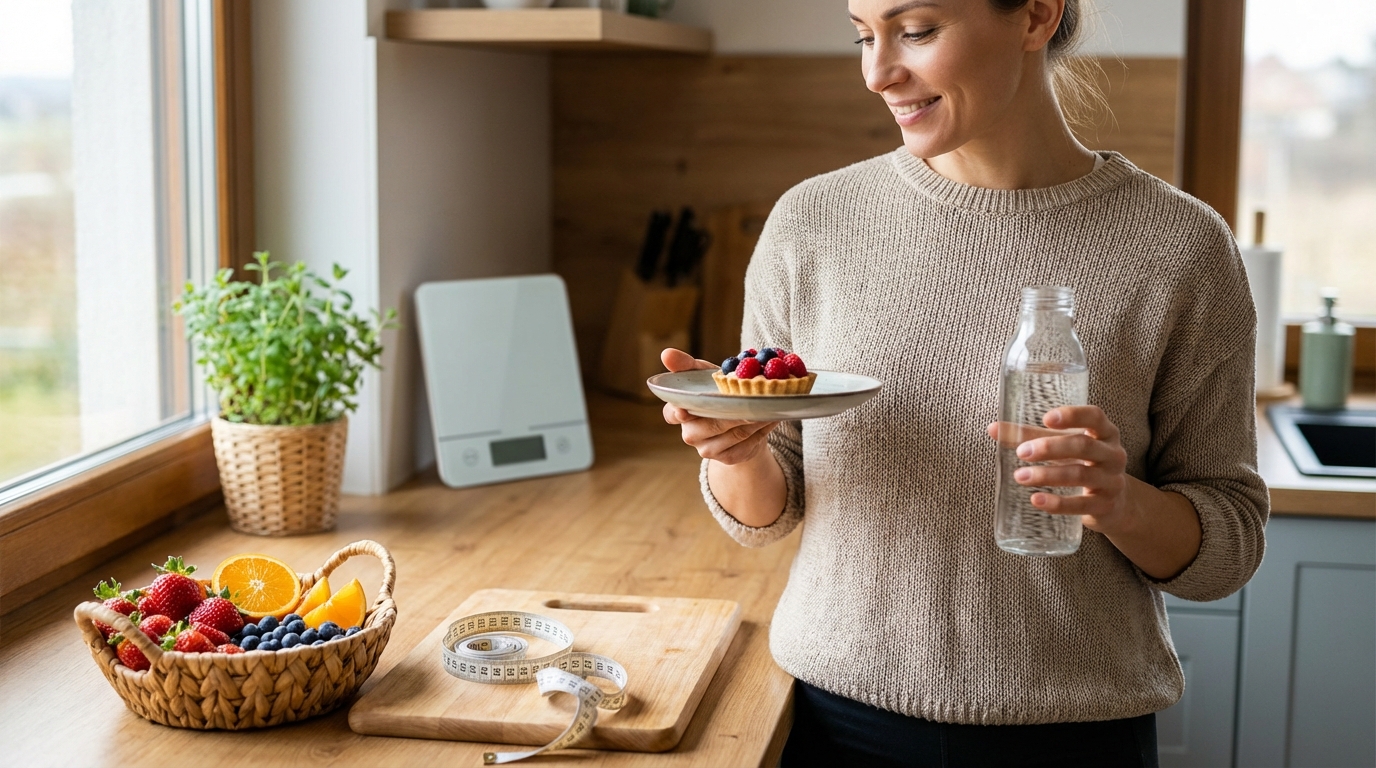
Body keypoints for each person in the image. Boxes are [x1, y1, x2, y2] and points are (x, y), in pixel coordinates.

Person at [659, 0, 1269, 765]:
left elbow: (1230, 542)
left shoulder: (1180, 247)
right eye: (862, 35)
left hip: (1078, 735)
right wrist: (735, 450)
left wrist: (1119, 501)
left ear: (1036, 15)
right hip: (837, 720)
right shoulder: (811, 224)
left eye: (915, 31)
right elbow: (768, 511)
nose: (878, 73)